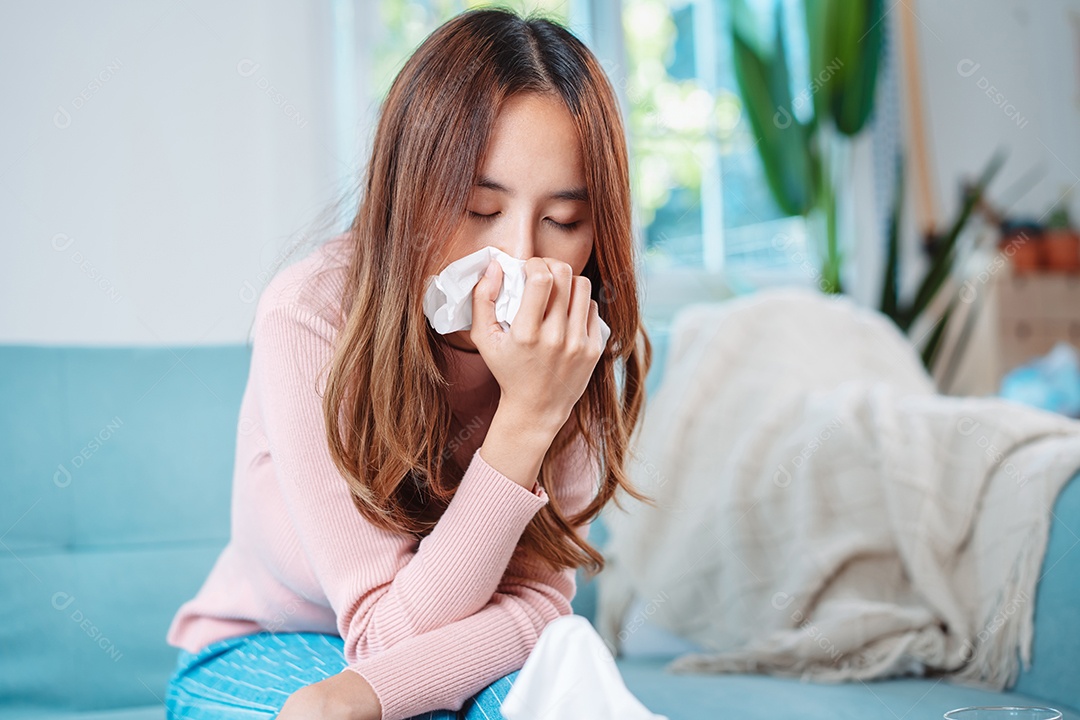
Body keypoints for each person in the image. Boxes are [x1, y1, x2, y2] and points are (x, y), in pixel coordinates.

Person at [164, 6, 653, 720]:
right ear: (409, 194)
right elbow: (382, 636)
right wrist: (525, 422)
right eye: (479, 208)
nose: (519, 257)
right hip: (264, 645)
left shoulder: (568, 343)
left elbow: (541, 604)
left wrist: (531, 409)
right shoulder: (310, 315)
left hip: (441, 653)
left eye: (563, 222)